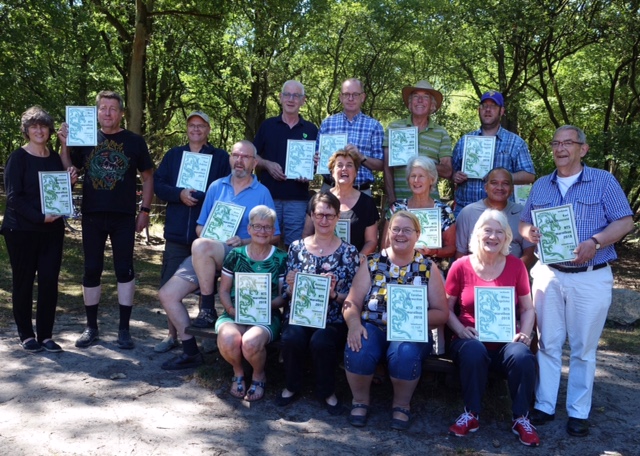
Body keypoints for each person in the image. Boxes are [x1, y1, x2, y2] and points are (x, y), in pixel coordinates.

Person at [520, 125, 634, 437]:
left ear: (582, 149)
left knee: (583, 348)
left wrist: (596, 242)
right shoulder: (542, 185)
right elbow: (524, 223)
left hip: (590, 276)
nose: (560, 148)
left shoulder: (603, 180)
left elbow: (625, 221)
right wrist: (529, 233)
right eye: (556, 143)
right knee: (548, 343)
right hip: (549, 274)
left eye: (567, 143)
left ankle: (578, 412)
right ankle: (544, 405)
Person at [159, 140, 280, 370]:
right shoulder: (216, 186)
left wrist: (243, 241)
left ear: (254, 163)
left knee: (201, 246)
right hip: (207, 253)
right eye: (235, 155)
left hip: (241, 255)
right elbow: (199, 227)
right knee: (167, 295)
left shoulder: (262, 192)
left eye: (245, 157)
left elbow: (275, 235)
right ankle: (190, 352)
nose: (239, 161)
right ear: (230, 158)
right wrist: (212, 236)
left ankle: (207, 308)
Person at [59, 90, 154, 350]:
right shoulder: (85, 138)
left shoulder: (134, 141)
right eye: (103, 108)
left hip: (123, 216)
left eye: (113, 108)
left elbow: (148, 177)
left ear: (121, 113)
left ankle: (124, 330)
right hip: (92, 214)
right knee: (91, 269)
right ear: (97, 112)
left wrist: (145, 211)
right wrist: (65, 144)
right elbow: (69, 169)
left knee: (124, 270)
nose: (108, 113)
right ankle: (91, 327)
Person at [342, 211, 449, 430]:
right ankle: (360, 401)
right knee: (358, 348)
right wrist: (353, 324)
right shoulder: (372, 263)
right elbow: (351, 302)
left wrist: (411, 317)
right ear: (388, 233)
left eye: (407, 230)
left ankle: (401, 404)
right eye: (396, 229)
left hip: (412, 331)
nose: (401, 234)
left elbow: (441, 313)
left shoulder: (428, 267)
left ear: (417, 234)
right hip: (374, 326)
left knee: (405, 354)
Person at [446, 209, 539, 446]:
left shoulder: (516, 266)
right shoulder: (460, 265)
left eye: (500, 232)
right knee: (474, 350)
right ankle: (471, 414)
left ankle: (521, 418)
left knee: (522, 355)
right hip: (468, 339)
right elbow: (445, 308)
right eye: (488, 230)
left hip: (506, 341)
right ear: (477, 234)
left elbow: (528, 309)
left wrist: (525, 333)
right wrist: (459, 329)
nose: (493, 236)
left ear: (507, 237)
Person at [152, 111, 230, 352]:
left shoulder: (220, 157)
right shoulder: (174, 155)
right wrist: (179, 194)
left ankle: (206, 335)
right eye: (192, 125)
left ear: (208, 130)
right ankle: (171, 335)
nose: (196, 129)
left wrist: (200, 196)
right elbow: (158, 184)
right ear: (187, 129)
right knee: (169, 285)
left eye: (201, 125)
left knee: (205, 285)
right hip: (176, 233)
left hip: (207, 235)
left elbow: (225, 190)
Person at [1, 106, 78, 353]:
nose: (39, 130)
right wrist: (40, 217)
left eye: (43, 126)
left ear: (49, 130)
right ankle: (26, 335)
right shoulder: (18, 158)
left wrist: (70, 179)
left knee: (48, 282)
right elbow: (13, 197)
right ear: (26, 131)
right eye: (33, 126)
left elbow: (63, 189)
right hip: (21, 230)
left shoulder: (54, 157)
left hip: (52, 231)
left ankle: (45, 336)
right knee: (23, 282)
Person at [276, 192, 360, 415]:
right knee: (292, 337)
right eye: (319, 214)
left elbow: (354, 296)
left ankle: (327, 392)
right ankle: (292, 386)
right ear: (311, 216)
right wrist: (291, 287)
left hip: (332, 318)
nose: (324, 220)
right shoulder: (296, 248)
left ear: (337, 218)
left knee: (322, 341)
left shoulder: (349, 252)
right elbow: (286, 292)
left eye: (329, 215)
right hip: (299, 315)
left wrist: (334, 294)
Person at [216, 205, 287, 402]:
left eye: (267, 227)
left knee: (250, 342)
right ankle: (238, 372)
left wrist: (263, 307)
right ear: (249, 229)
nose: (262, 231)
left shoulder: (281, 258)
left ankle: (258, 375)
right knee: (228, 338)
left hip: (267, 315)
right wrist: (231, 309)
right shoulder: (235, 255)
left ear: (273, 230)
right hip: (235, 312)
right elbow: (223, 290)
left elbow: (283, 297)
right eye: (257, 226)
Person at [254, 80, 318, 248]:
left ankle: (291, 267)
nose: (291, 99)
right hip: (268, 196)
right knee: (265, 241)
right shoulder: (267, 126)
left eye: (296, 95)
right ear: (280, 97)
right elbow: (253, 156)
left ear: (303, 100)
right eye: (287, 94)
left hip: (297, 199)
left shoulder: (311, 130)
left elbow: (317, 163)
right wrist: (267, 164)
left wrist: (310, 171)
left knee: (295, 246)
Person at [451, 91, 535, 216]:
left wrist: (503, 178)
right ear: (479, 110)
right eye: (484, 106)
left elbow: (529, 175)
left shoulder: (515, 142)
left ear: (501, 111)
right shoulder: (465, 141)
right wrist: (455, 176)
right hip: (466, 211)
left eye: (493, 106)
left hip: (502, 213)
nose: (488, 110)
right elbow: (452, 171)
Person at [302, 147, 379, 257]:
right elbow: (307, 234)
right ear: (332, 172)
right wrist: (315, 257)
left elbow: (371, 241)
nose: (344, 169)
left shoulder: (367, 203)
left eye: (349, 165)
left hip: (355, 262)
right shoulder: (317, 200)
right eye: (339, 165)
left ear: (355, 172)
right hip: (320, 259)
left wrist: (357, 260)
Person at [383, 80, 452, 203]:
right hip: (399, 202)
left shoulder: (441, 133)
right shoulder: (394, 128)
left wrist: (422, 163)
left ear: (432, 104)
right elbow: (387, 166)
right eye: (416, 96)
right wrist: (391, 198)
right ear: (410, 103)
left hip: (429, 205)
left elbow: (447, 171)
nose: (420, 100)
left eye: (425, 97)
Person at [382, 156, 456, 270]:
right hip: (398, 270)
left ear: (431, 179)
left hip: (431, 270)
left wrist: (434, 252)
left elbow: (451, 249)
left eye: (421, 176)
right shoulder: (396, 209)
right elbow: (385, 246)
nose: (416, 180)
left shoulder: (444, 211)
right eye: (413, 176)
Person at [456, 167, 535, 269]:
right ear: (486, 187)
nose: (499, 187)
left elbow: (529, 252)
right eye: (494, 183)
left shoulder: (522, 213)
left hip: (513, 274)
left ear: (512, 189)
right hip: (476, 274)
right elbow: (460, 253)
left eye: (505, 183)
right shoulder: (468, 213)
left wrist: (513, 273)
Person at [317, 78, 384, 195]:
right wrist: (316, 159)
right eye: (346, 94)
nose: (351, 98)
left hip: (361, 192)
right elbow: (316, 157)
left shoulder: (374, 126)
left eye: (355, 94)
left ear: (363, 97)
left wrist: (361, 157)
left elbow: (381, 164)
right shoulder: (327, 124)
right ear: (340, 97)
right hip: (330, 190)